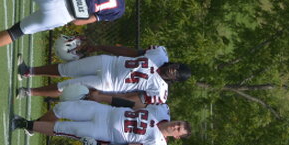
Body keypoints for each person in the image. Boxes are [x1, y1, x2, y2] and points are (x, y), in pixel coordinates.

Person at [15, 44, 191, 105]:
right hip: (109, 62)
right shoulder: (159, 54)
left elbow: (131, 98)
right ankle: (28, 71)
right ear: (174, 63)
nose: (173, 70)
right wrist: (101, 47)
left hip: (109, 82)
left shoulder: (160, 90)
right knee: (67, 69)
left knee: (66, 86)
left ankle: (28, 92)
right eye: (176, 67)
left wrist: (104, 97)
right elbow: (130, 52)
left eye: (176, 73)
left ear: (175, 79)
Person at [12, 101, 190, 145]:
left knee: (63, 128)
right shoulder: (161, 110)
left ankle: (23, 124)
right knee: (63, 108)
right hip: (105, 111)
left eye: (178, 129)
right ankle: (32, 126)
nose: (175, 126)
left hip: (104, 131)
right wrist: (101, 96)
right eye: (178, 123)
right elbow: (132, 103)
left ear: (177, 137)